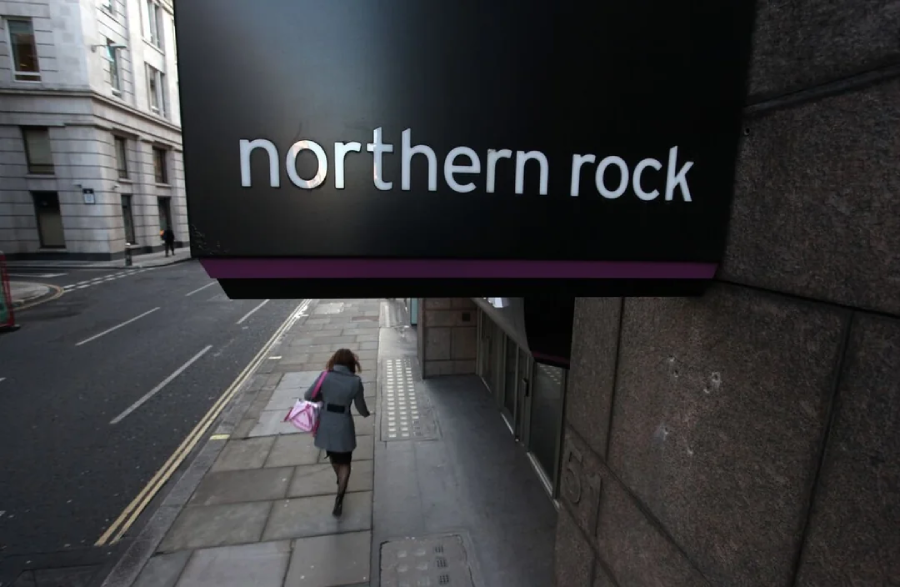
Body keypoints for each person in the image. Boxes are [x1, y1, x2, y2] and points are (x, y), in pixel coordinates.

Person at [304, 348, 370, 517]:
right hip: (344, 424)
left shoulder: (325, 376)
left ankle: (339, 479)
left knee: (334, 458)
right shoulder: (355, 382)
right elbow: (360, 406)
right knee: (346, 462)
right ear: (352, 364)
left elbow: (309, 395)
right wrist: (366, 414)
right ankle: (340, 495)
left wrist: (324, 399)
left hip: (326, 424)